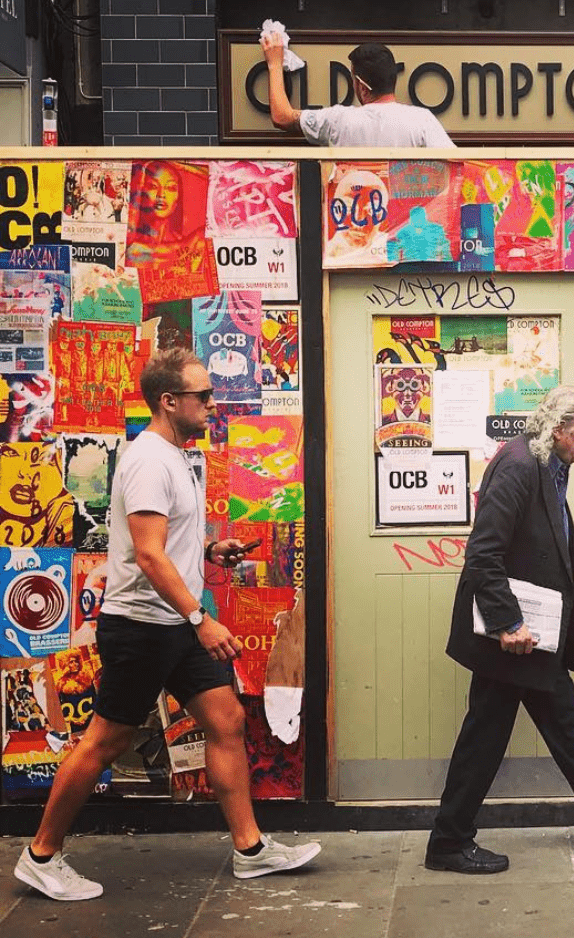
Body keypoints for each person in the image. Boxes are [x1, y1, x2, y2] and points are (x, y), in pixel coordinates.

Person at [13, 349, 320, 902]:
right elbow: (150, 557)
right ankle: (41, 854)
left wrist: (207, 547)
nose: (212, 403)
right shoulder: (151, 460)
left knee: (225, 719)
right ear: (168, 401)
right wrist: (200, 617)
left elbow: (158, 538)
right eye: (202, 396)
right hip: (142, 627)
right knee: (107, 740)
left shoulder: (175, 454)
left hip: (171, 624)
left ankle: (249, 850)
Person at [425, 385, 574, 874]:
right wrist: (507, 621)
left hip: (535, 633)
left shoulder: (548, 464)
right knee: (486, 735)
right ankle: (448, 841)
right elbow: (483, 553)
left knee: (562, 716)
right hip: (512, 635)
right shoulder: (518, 466)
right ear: (559, 427)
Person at [261, 35, 454, 147]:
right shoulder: (422, 120)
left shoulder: (338, 120)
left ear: (361, 87)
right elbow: (460, 166)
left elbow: (282, 117)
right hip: (407, 216)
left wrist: (275, 63)